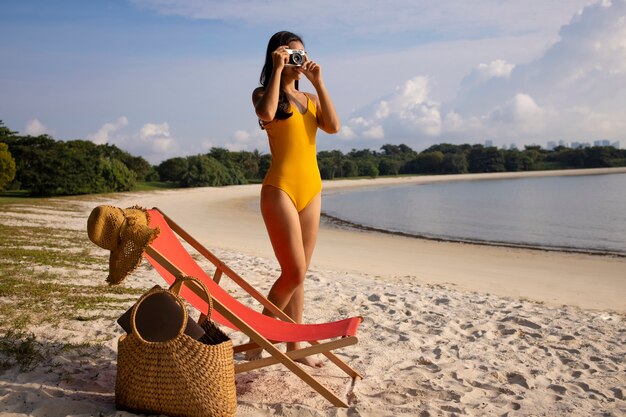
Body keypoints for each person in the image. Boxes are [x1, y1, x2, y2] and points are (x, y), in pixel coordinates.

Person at [249, 30, 340, 367]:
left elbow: (333, 126)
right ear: (278, 55)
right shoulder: (264, 93)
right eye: (291, 54)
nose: (298, 59)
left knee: (298, 272)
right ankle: (259, 338)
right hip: (280, 190)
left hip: (311, 190)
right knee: (295, 272)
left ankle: (294, 344)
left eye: (302, 53)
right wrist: (276, 71)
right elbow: (267, 114)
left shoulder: (310, 100)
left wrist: (318, 82)